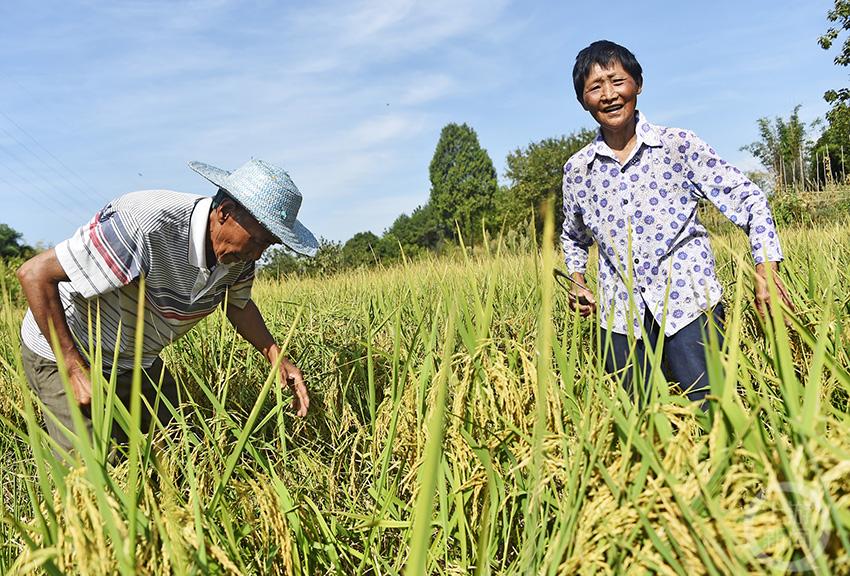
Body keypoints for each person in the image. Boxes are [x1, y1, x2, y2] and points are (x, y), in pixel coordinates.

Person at [17, 158, 317, 456]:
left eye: (269, 245)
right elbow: (35, 274)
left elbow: (237, 304)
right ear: (225, 212)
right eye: (258, 241)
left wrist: (277, 356)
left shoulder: (238, 257)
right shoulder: (146, 224)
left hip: (133, 361)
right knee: (92, 475)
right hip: (67, 349)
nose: (257, 255)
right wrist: (72, 368)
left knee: (182, 447)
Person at [561, 40, 794, 405]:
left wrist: (766, 272)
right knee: (638, 424)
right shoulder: (578, 170)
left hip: (690, 305)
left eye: (617, 81)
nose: (608, 94)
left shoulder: (678, 146)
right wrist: (577, 281)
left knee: (712, 411)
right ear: (583, 100)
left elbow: (749, 199)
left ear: (638, 84)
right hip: (620, 320)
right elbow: (573, 237)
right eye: (595, 87)